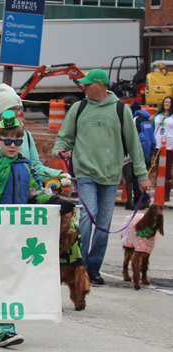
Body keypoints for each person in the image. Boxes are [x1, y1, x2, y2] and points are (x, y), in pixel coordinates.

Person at [0, 110, 75, 348]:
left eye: (18, 141)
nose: (13, 145)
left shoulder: (25, 165)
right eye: (8, 141)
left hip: (19, 232)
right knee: (1, 276)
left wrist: (56, 202)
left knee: (8, 276)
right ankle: (5, 327)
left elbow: (35, 193)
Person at [52, 68, 150, 285]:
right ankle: (80, 265)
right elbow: (63, 139)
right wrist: (59, 151)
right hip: (84, 173)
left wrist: (142, 176)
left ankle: (93, 268)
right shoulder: (79, 108)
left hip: (111, 175)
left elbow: (134, 146)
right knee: (88, 215)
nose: (83, 87)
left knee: (104, 224)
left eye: (87, 83)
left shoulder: (120, 109)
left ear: (100, 85)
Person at [152, 96, 173, 202]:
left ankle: (166, 193)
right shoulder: (157, 115)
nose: (167, 104)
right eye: (166, 102)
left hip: (169, 148)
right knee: (158, 170)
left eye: (169, 102)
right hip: (158, 146)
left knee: (166, 171)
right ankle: (159, 191)